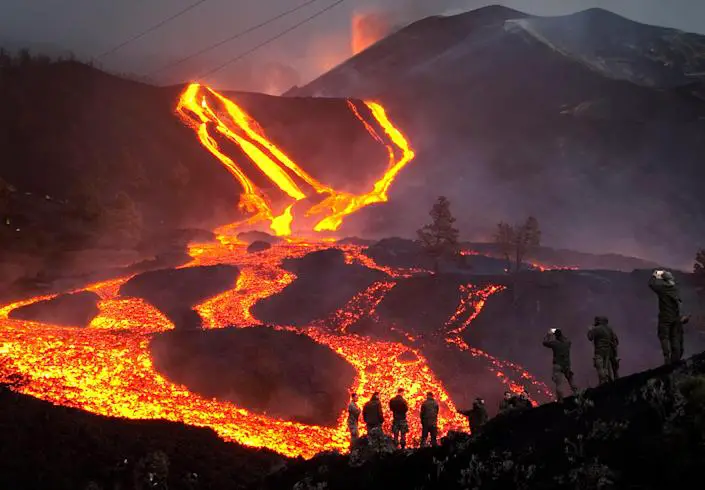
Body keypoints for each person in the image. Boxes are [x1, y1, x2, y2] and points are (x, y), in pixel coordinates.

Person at [649, 270, 690, 364]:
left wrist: (655, 275)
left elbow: (651, 284)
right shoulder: (675, 289)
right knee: (674, 337)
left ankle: (667, 358)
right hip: (675, 318)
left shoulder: (662, 289)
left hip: (665, 317)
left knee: (664, 337)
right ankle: (675, 360)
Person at [542, 328, 578, 400]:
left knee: (559, 384)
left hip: (558, 365)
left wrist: (548, 334)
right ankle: (577, 393)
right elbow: (569, 341)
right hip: (567, 365)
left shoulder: (555, 343)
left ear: (555, 336)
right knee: (571, 380)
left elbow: (544, 342)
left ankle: (560, 400)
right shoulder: (567, 343)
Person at [587, 316, 618, 384]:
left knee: (600, 368)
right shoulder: (609, 329)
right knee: (607, 368)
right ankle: (608, 381)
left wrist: (590, 330)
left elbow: (590, 337)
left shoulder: (596, 329)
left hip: (599, 351)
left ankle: (605, 380)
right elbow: (615, 340)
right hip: (608, 352)